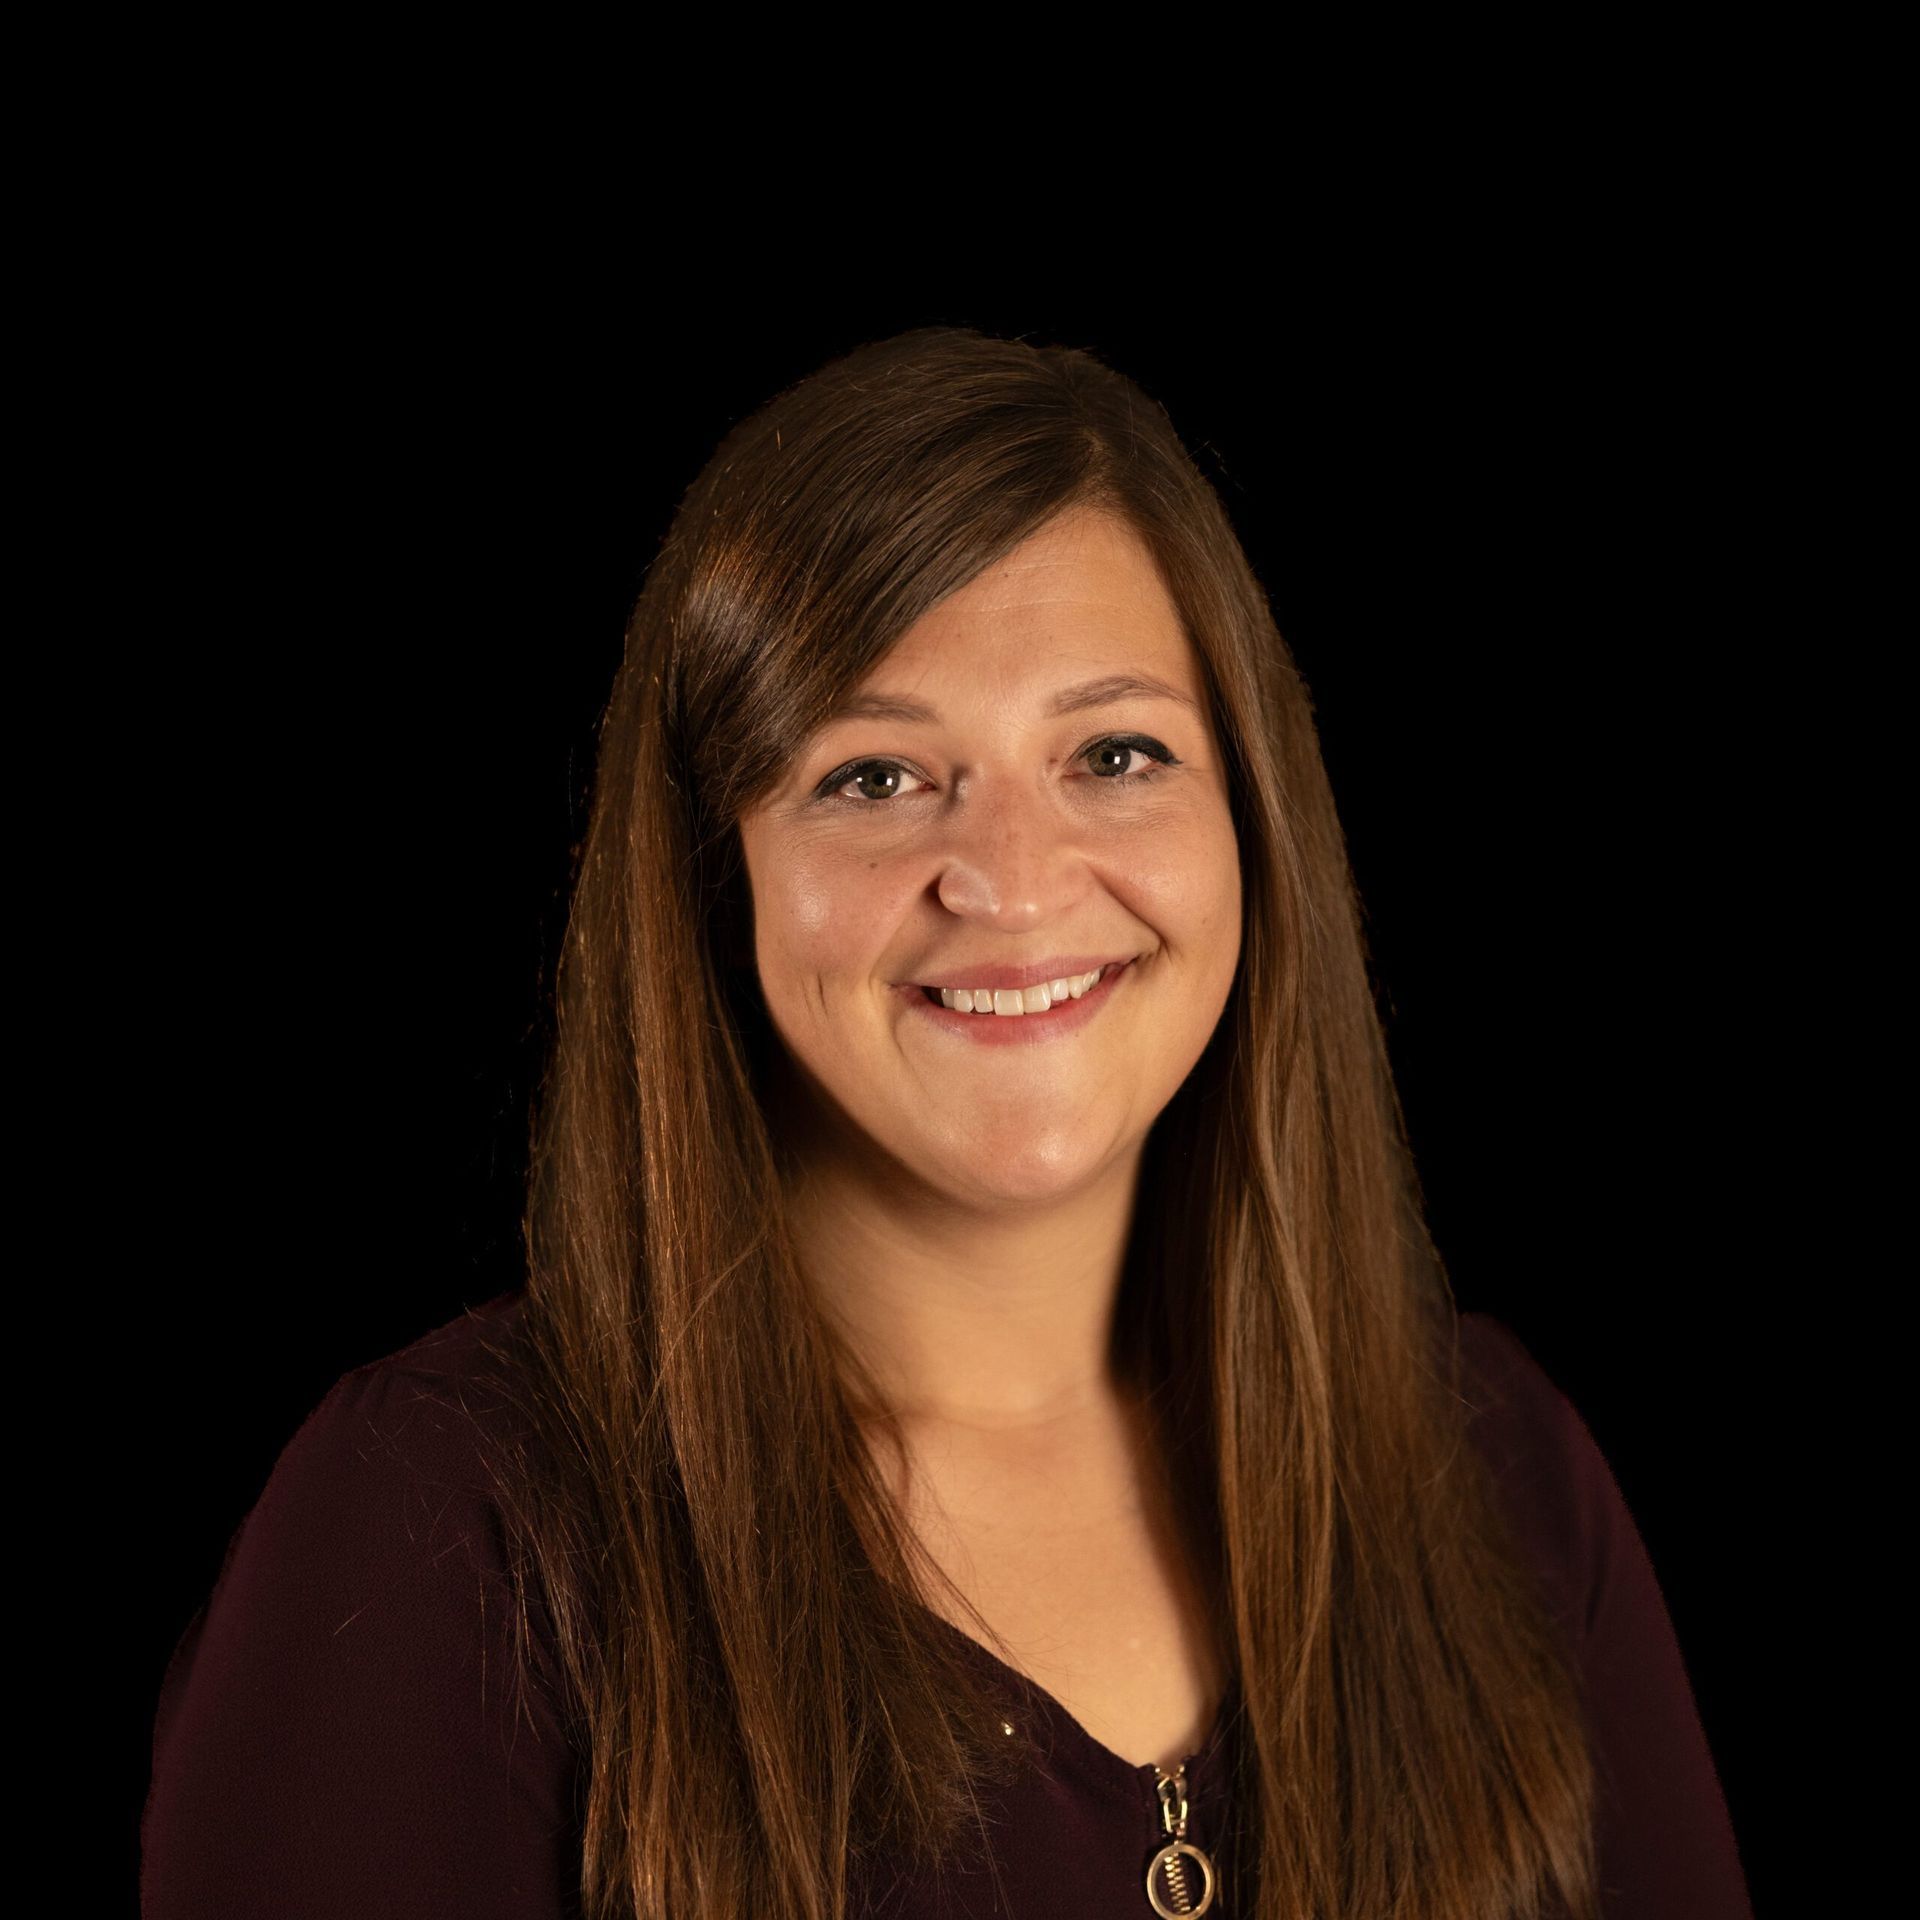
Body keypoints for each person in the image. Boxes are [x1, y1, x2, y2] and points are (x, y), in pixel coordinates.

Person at [141, 326, 1753, 1919]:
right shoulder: (446, 1531)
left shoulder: (1503, 1472)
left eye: (1115, 753)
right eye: (877, 778)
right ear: (720, 873)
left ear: (1254, 821)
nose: (1014, 881)